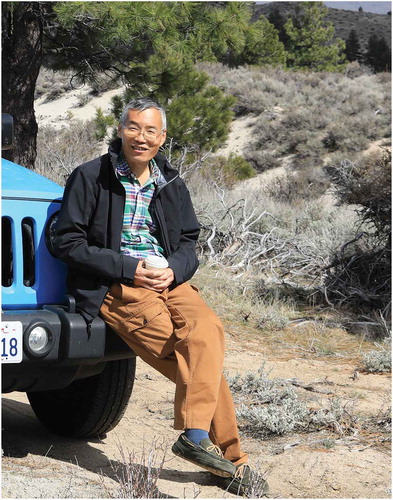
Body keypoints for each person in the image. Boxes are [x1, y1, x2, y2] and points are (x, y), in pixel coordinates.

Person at [53, 97, 266, 495]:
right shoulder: (89, 176)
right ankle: (232, 464)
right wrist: (128, 267)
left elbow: (188, 241)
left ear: (162, 137)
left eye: (151, 130)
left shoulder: (170, 181)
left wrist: (174, 269)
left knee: (207, 332)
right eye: (133, 127)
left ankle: (197, 436)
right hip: (122, 287)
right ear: (120, 131)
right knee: (193, 363)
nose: (141, 137)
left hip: (170, 280)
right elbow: (66, 242)